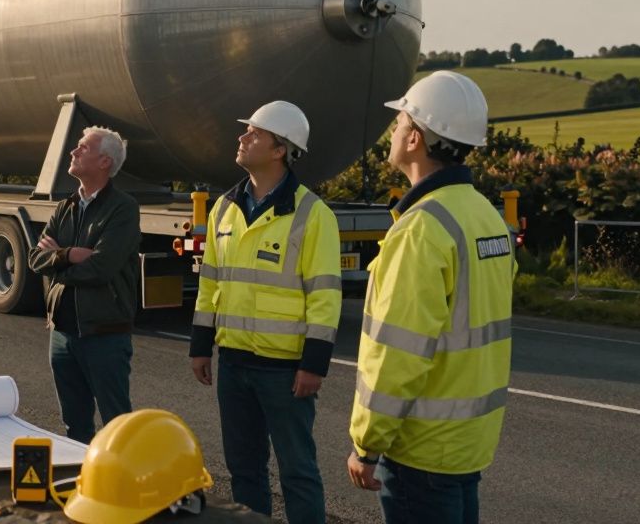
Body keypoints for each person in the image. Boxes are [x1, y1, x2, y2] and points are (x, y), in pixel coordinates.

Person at [346, 71, 516, 524]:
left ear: (416, 139)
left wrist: (367, 443)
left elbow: (398, 352)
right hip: (468, 445)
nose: (393, 131)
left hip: (420, 450)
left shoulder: (422, 228)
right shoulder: (486, 216)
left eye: (399, 121)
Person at [189, 101, 342, 523]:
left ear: (280, 150)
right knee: (244, 471)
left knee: (297, 472)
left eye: (253, 133)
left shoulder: (314, 215)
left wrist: (314, 364)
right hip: (234, 362)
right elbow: (210, 284)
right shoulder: (224, 208)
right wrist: (201, 346)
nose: (242, 137)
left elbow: (325, 297)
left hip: (285, 369)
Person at [28, 126, 140, 444]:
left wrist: (57, 262)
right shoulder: (66, 207)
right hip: (62, 334)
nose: (74, 151)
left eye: (83, 147)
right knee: (74, 427)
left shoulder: (123, 208)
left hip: (104, 334)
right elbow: (35, 259)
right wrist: (70, 255)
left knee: (117, 426)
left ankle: (121, 489)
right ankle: (82, 487)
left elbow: (101, 269)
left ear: (104, 161)